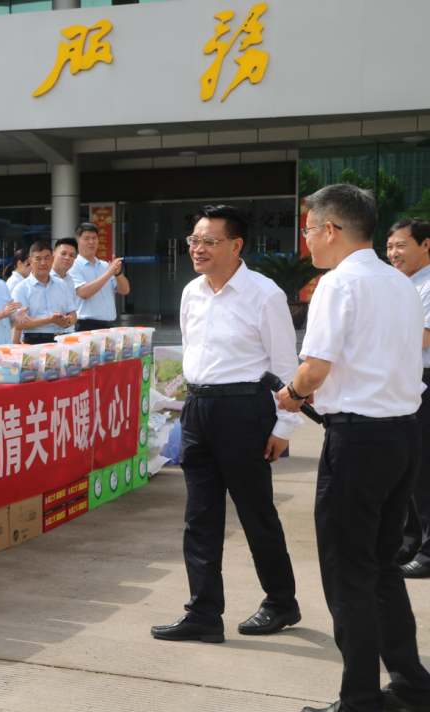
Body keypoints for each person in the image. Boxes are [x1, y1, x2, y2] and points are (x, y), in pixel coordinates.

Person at [277, 185, 430, 712]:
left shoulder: (338, 283)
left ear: (331, 229)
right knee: (381, 566)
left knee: (349, 573)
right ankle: (411, 685)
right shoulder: (399, 283)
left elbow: (315, 367)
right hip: (402, 435)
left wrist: (293, 393)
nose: (306, 240)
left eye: (308, 229)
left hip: (360, 442)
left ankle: (360, 698)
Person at [150, 205, 302, 647]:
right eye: (194, 240)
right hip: (198, 408)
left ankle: (281, 601)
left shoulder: (264, 294)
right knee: (199, 517)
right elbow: (191, 349)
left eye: (209, 241)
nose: (197, 248)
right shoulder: (191, 292)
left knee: (256, 512)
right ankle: (203, 613)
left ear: (236, 245)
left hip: (244, 410)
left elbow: (285, 366)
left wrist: (284, 427)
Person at [388, 217, 430, 578]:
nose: (393, 253)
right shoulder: (401, 285)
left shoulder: (428, 286)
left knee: (425, 469)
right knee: (410, 469)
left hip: (425, 380)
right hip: (407, 381)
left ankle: (428, 552)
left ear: (426, 245)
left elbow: (421, 339)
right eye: (389, 246)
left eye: (401, 245)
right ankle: (410, 542)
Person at [10, 241, 77, 345]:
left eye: (46, 258)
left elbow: (73, 314)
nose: (43, 263)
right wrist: (50, 320)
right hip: (34, 342)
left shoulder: (62, 284)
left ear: (52, 259)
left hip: (61, 340)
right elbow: (19, 324)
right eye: (38, 259)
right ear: (30, 261)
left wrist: (66, 321)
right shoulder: (21, 288)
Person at [70, 222, 129, 331]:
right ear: (77, 242)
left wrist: (117, 273)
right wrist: (108, 273)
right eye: (86, 238)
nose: (91, 242)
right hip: (86, 326)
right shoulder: (74, 266)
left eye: (94, 238)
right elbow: (84, 293)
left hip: (109, 326)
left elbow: (125, 290)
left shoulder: (105, 265)